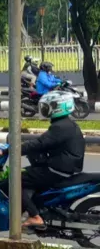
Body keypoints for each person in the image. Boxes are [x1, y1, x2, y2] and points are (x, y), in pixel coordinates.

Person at [17, 91, 85, 228]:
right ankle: (37, 206)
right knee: (30, 175)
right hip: (64, 167)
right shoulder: (65, 124)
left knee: (16, 179)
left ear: (59, 107)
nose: (46, 108)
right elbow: (44, 141)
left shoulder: (60, 127)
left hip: (57, 169)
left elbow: (40, 143)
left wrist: (13, 150)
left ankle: (35, 216)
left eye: (51, 105)